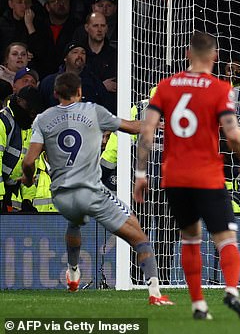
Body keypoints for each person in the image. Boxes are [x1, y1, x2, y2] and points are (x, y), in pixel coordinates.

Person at [133, 31, 240, 321]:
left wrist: (140, 173)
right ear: (214, 56)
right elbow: (233, 133)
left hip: (174, 178)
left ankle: (199, 305)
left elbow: (147, 131)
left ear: (187, 54)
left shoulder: (165, 87)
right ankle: (231, 290)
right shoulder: (219, 89)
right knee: (226, 238)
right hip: (207, 176)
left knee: (190, 239)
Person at [21, 72, 172, 305]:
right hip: (92, 192)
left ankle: (73, 271)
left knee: (74, 219)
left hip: (61, 195)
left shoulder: (42, 118)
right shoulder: (93, 111)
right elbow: (132, 127)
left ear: (54, 93)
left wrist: (28, 180)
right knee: (140, 236)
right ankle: (155, 293)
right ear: (80, 92)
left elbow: (29, 162)